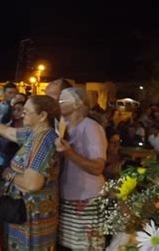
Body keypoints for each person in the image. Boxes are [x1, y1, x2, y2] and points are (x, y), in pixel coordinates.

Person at [0, 95, 61, 250]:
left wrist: (8, 174)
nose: (23, 113)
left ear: (42, 116)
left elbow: (32, 183)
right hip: (23, 210)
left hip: (32, 215)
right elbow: (8, 132)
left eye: (27, 111)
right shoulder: (35, 133)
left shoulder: (44, 141)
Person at [55, 87, 107, 250]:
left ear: (77, 104)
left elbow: (97, 167)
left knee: (85, 246)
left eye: (62, 100)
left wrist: (69, 152)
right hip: (68, 196)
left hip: (86, 197)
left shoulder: (91, 128)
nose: (58, 104)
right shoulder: (64, 127)